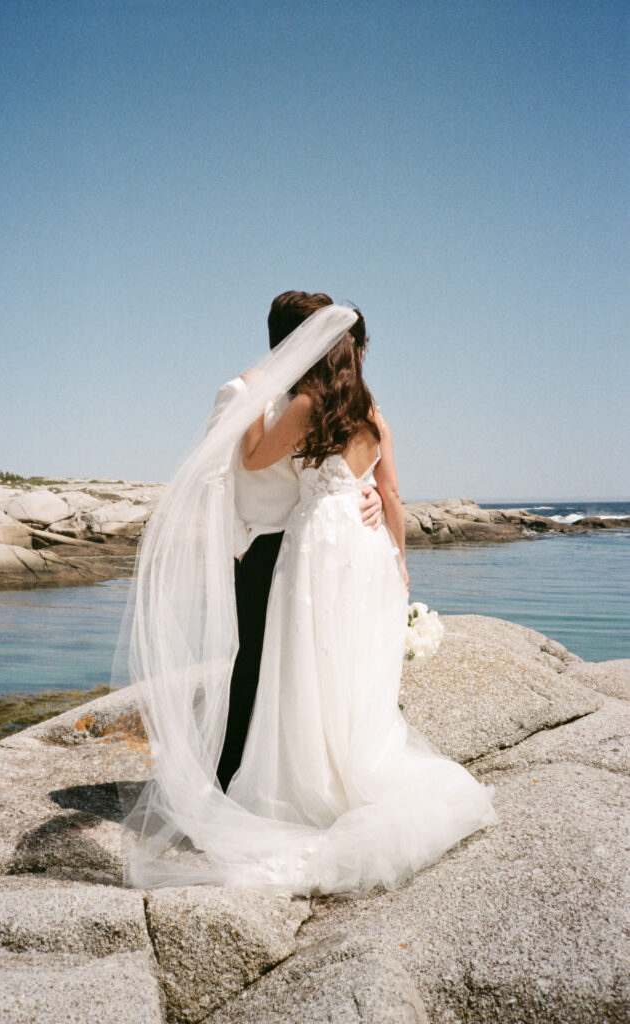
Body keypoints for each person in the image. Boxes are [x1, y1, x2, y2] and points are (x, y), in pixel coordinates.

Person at [116, 300, 496, 897]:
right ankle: (338, 764)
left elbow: (255, 456)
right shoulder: (370, 409)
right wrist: (400, 561)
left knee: (299, 659)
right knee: (332, 658)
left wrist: (255, 412)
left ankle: (290, 779)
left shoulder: (306, 404)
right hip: (353, 548)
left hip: (316, 540)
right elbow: (388, 490)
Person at [209, 291, 383, 792]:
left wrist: (363, 493)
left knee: (306, 664)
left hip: (311, 544)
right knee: (256, 665)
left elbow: (341, 459)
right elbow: (216, 477)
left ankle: (299, 774)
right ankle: (229, 777)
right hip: (260, 544)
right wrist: (232, 545)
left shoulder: (312, 395)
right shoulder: (240, 391)